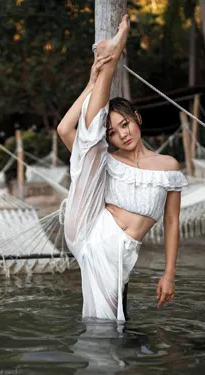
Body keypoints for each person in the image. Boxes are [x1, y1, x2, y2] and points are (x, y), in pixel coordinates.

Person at [57, 15, 187, 321]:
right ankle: (110, 61)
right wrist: (91, 84)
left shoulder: (168, 166)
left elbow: (171, 221)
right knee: (92, 146)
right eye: (113, 131)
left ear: (137, 119)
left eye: (125, 124)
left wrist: (169, 275)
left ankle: (108, 61)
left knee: (111, 324)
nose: (122, 134)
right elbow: (65, 130)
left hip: (121, 250)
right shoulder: (109, 158)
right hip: (92, 228)